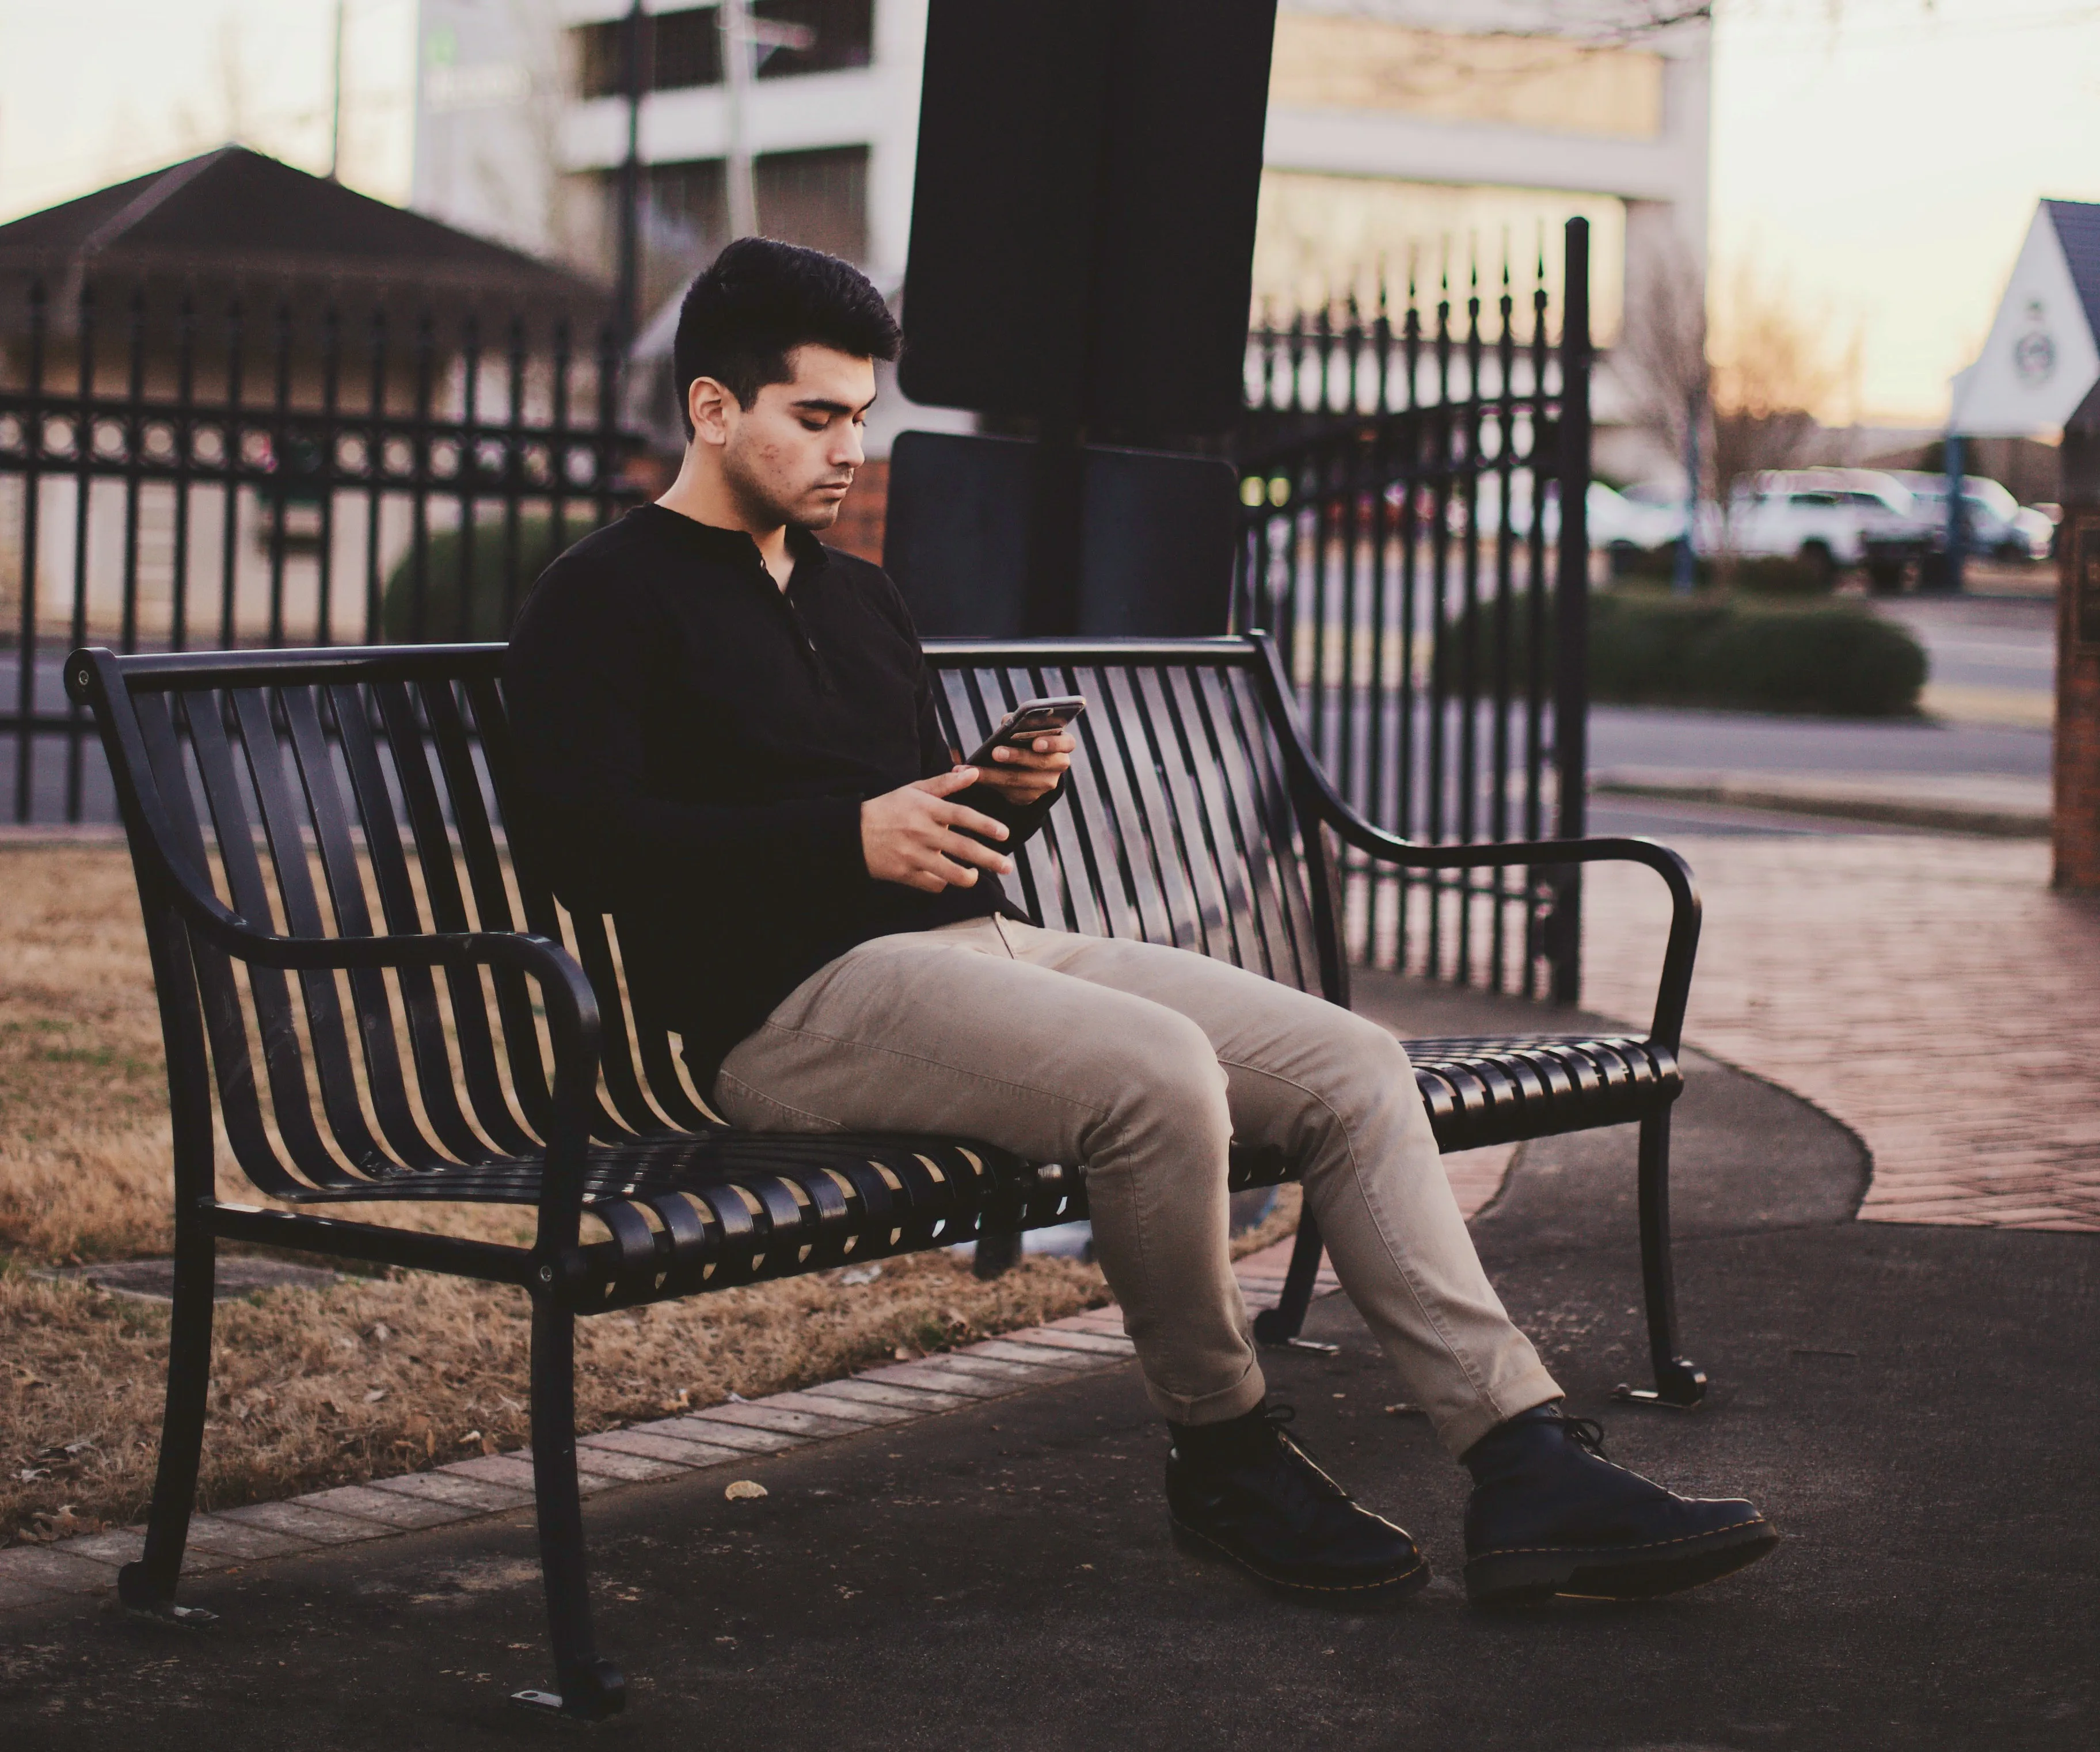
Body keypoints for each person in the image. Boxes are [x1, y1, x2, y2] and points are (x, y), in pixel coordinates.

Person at [504, 237, 1779, 1608]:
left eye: (862, 417)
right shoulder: (603, 595)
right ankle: (1223, 1448)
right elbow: (580, 848)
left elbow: (918, 831)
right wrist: (840, 834)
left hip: (969, 958)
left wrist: (998, 798)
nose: (847, 450)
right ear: (713, 408)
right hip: (782, 1010)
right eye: (816, 416)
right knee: (1155, 1075)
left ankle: (1524, 1463)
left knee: (1353, 1061)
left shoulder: (854, 593)